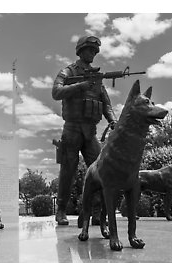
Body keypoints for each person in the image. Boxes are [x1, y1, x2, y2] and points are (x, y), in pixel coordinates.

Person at [52, 35, 117, 225]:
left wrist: (113, 121)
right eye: (90, 50)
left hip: (90, 132)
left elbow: (106, 104)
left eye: (95, 52)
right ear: (81, 51)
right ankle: (61, 211)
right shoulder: (68, 71)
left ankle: (96, 212)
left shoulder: (97, 77)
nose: (93, 54)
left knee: (100, 170)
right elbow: (56, 92)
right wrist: (80, 85)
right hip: (72, 130)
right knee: (68, 171)